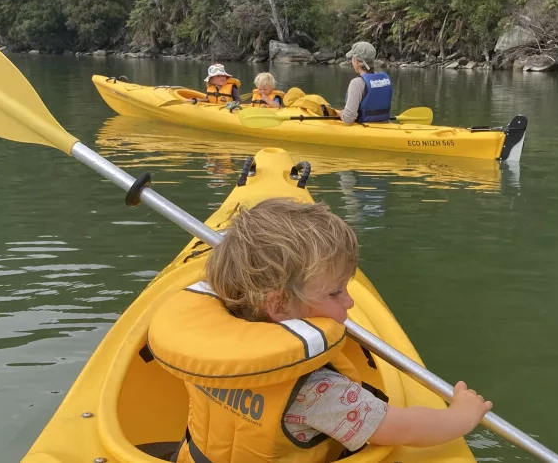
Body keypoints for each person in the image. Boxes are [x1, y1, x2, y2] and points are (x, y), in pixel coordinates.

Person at [157, 198, 492, 463]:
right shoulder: (319, 392)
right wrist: (461, 417)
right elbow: (403, 428)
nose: (348, 303)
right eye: (335, 292)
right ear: (278, 306)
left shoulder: (202, 346)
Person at [341, 41, 393, 124]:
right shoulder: (385, 79)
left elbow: (348, 119)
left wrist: (341, 113)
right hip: (385, 125)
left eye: (352, 58)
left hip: (365, 130)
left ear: (356, 62)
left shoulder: (357, 83)